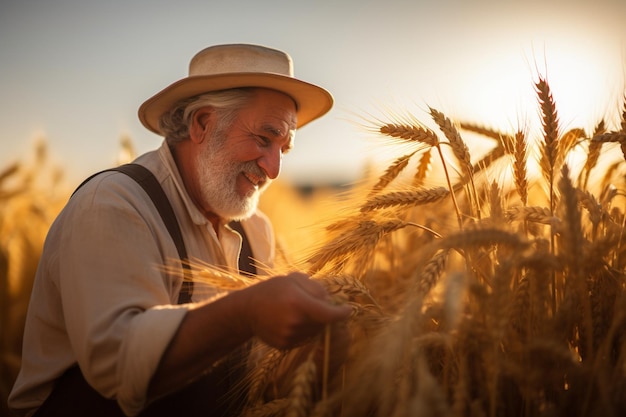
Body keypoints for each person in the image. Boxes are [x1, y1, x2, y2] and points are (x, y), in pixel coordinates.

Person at [8, 43, 351, 417]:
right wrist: (246, 311)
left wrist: (317, 360)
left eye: (284, 148)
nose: (273, 169)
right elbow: (116, 367)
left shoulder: (257, 232)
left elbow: (256, 383)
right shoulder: (112, 205)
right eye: (263, 139)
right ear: (202, 123)